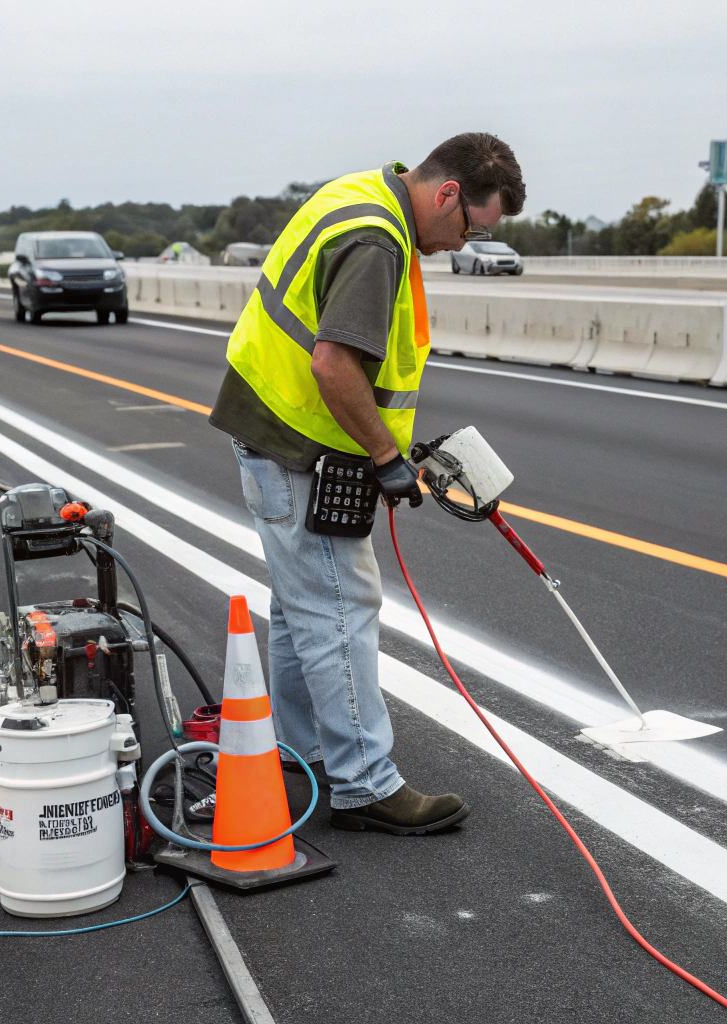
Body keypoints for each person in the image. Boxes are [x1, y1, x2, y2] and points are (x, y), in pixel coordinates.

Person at [209, 133, 525, 834]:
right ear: (447, 195)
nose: (459, 243)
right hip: (301, 445)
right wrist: (386, 457)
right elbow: (333, 367)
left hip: (266, 426)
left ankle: (302, 750)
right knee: (340, 606)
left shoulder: (358, 192)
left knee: (298, 607)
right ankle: (364, 783)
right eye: (469, 227)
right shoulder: (380, 243)